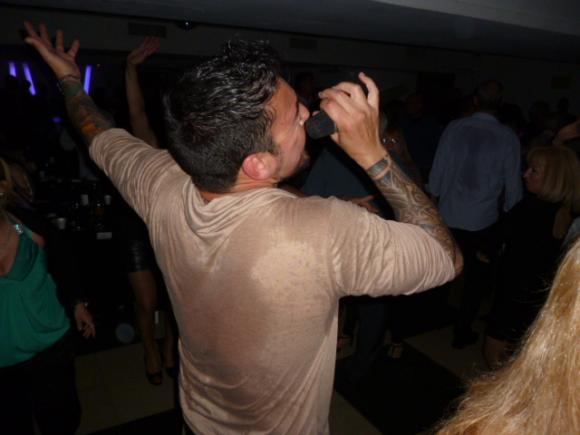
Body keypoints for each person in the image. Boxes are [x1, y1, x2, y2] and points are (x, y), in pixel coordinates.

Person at [24, 22, 462, 434]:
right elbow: (446, 258)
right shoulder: (324, 231)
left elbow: (96, 132)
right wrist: (373, 153)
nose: (308, 113)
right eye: (295, 116)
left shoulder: (161, 183)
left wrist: (68, 79)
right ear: (259, 165)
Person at [436, 238, 580, 435]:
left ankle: (503, 380)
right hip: (524, 277)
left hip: (524, 278)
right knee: (503, 330)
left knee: (501, 330)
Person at [0, 157, 95, 435]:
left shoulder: (25, 227)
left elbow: (63, 259)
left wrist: (77, 303)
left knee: (60, 422)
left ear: (2, 189)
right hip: (3, 362)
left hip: (50, 346)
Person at [428, 80, 523, 348]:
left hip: (449, 215)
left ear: (475, 101)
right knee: (475, 281)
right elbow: (513, 186)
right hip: (484, 221)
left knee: (443, 270)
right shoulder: (508, 137)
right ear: (500, 104)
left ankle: (436, 316)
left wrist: (433, 199)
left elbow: (438, 171)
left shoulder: (455, 127)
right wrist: (509, 219)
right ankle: (462, 330)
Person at [483, 145, 580, 368]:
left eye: (533, 171)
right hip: (543, 296)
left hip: (514, 292)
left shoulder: (531, 208)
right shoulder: (568, 211)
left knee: (495, 352)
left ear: (553, 179)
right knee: (520, 352)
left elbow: (495, 238)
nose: (525, 174)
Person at [124, 36, 177, 385]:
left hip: (172, 233)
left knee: (173, 303)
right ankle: (150, 351)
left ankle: (170, 350)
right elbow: (137, 113)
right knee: (146, 302)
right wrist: (131, 69)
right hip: (137, 231)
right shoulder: (154, 149)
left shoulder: (196, 156)